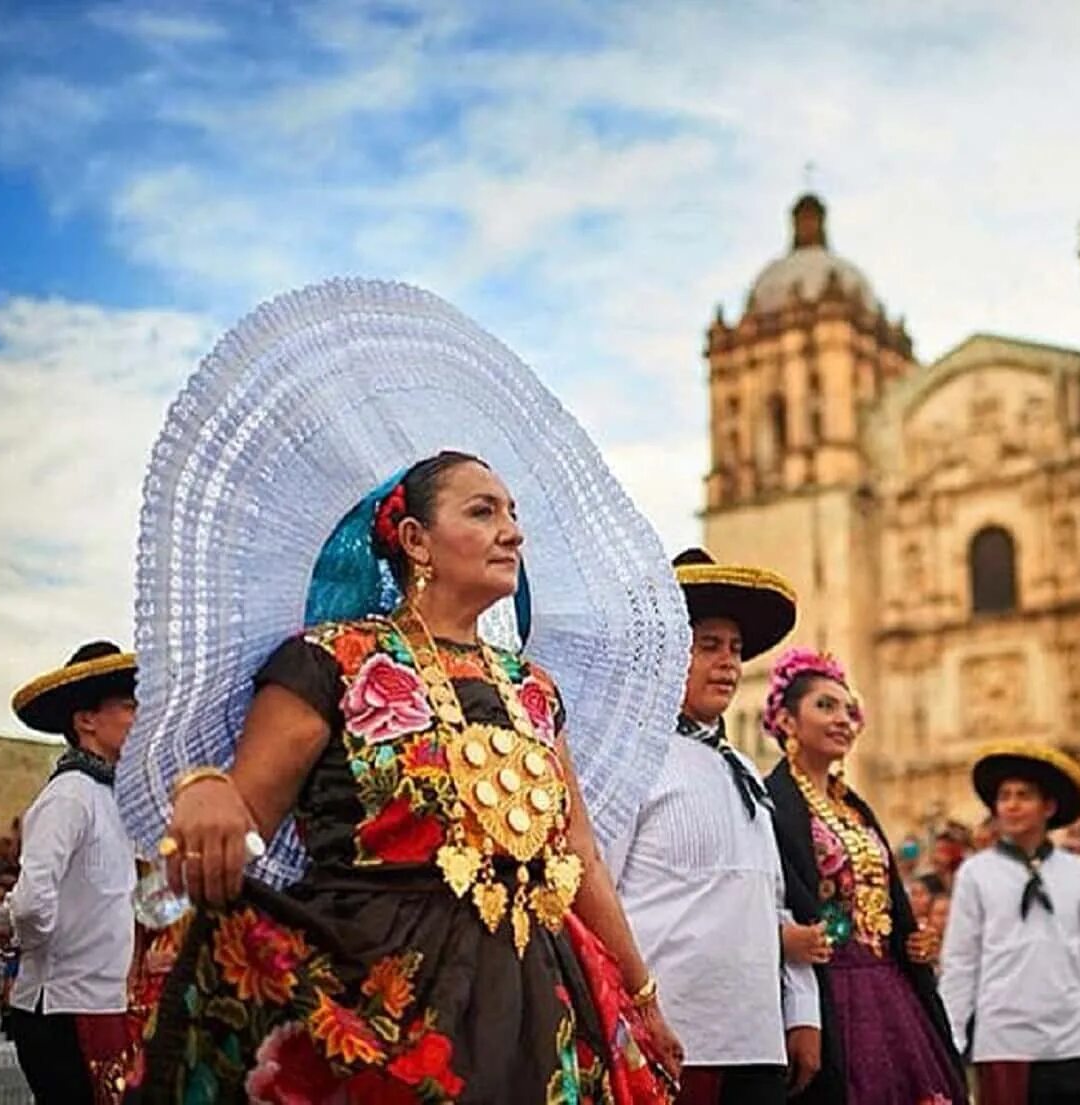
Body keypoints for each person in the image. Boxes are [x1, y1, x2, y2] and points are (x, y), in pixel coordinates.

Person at [120, 282, 691, 1102]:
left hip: (543, 998)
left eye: (513, 513)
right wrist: (203, 790)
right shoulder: (330, 659)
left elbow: (581, 858)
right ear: (417, 539)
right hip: (378, 997)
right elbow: (241, 816)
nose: (512, 531)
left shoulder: (532, 688)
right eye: (484, 510)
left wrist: (640, 998)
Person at [606, 549, 821, 1105]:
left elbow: (772, 902)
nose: (727, 663)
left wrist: (801, 1014)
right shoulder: (630, 761)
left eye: (735, 649)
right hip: (668, 1035)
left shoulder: (745, 770)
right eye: (708, 646)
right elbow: (598, 895)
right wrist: (632, 1010)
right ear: (664, 654)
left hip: (754, 1039)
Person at [764, 648, 964, 1104]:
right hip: (828, 991)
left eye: (849, 710)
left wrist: (910, 940)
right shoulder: (772, 802)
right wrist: (781, 938)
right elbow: (765, 896)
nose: (843, 719)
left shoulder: (853, 807)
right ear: (787, 722)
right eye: (825, 706)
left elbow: (883, 896)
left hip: (888, 985)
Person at [940, 742, 1080, 1104]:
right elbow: (961, 963)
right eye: (1004, 796)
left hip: (1075, 1042)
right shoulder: (976, 874)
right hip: (1004, 1043)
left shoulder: (1078, 872)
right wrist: (953, 1037)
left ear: (1049, 807)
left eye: (1023, 796)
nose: (1011, 805)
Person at [6, 640, 140, 1103]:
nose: (136, 716)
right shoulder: (70, 796)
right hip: (62, 1008)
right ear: (86, 720)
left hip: (99, 1002)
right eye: (126, 706)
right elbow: (29, 902)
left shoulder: (111, 796)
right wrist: (46, 955)